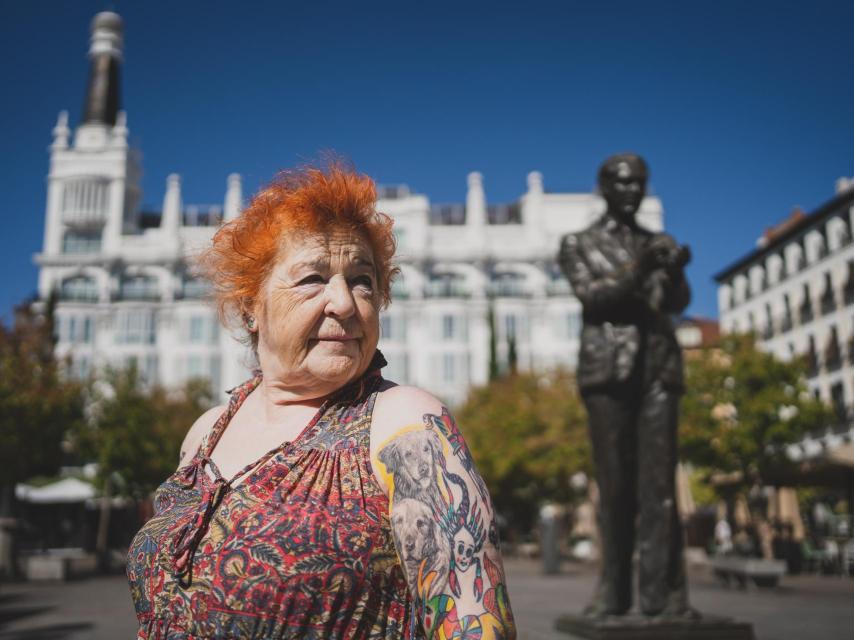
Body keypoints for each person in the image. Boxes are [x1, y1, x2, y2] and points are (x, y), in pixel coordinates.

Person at [127, 163, 516, 639]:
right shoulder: (206, 430)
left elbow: (474, 625)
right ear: (251, 305)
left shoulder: (405, 422)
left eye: (362, 281)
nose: (345, 303)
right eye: (313, 278)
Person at [558, 153, 692, 618]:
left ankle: (664, 599)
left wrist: (673, 271)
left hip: (658, 366)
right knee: (615, 488)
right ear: (605, 187)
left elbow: (674, 302)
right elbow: (594, 297)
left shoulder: (657, 241)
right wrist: (641, 266)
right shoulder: (579, 243)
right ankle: (613, 594)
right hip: (609, 371)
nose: (633, 191)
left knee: (661, 487)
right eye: (624, 183)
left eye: (640, 183)